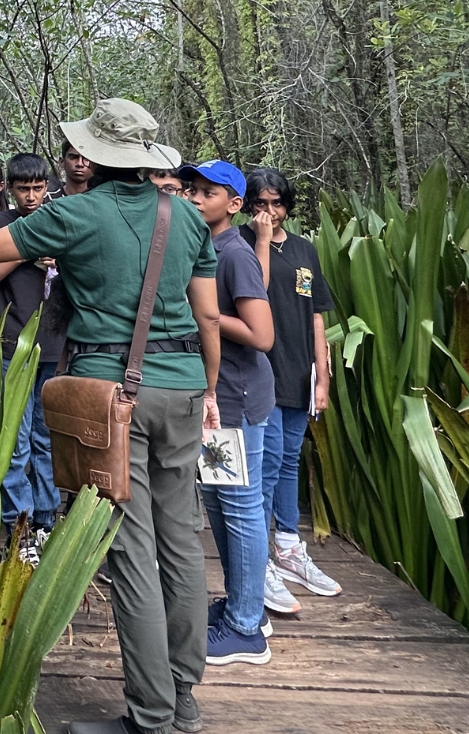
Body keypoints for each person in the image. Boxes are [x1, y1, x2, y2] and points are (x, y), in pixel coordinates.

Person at [0, 98, 221, 734]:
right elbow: (207, 316)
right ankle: (184, 696)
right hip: (186, 389)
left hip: (115, 396)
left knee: (132, 550)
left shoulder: (76, 213)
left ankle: (152, 714)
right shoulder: (187, 216)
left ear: (96, 156)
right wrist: (208, 389)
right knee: (183, 541)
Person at [179, 159, 276, 667]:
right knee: (222, 505)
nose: (195, 198)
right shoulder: (206, 247)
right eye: (191, 189)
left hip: (235, 400)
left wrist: (208, 316)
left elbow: (263, 336)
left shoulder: (234, 254)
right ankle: (243, 606)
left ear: (234, 205)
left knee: (239, 509)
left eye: (207, 192)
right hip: (223, 400)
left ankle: (245, 628)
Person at [241, 167, 342, 603]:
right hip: (262, 371)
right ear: (247, 205)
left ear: (288, 205)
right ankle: (259, 558)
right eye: (261, 204)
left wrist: (321, 375)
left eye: (277, 203)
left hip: (300, 371)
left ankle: (287, 546)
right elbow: (257, 292)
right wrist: (262, 241)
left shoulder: (304, 249)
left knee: (288, 463)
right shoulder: (240, 244)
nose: (269, 212)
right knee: (264, 467)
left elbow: (317, 315)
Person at [0, 152, 66, 535]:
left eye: (38, 188)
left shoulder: (61, 224)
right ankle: (18, 522)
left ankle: (45, 519)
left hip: (56, 348)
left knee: (47, 439)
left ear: (47, 188)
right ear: (10, 188)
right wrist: (22, 252)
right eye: (23, 189)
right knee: (16, 439)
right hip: (13, 346)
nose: (31, 197)